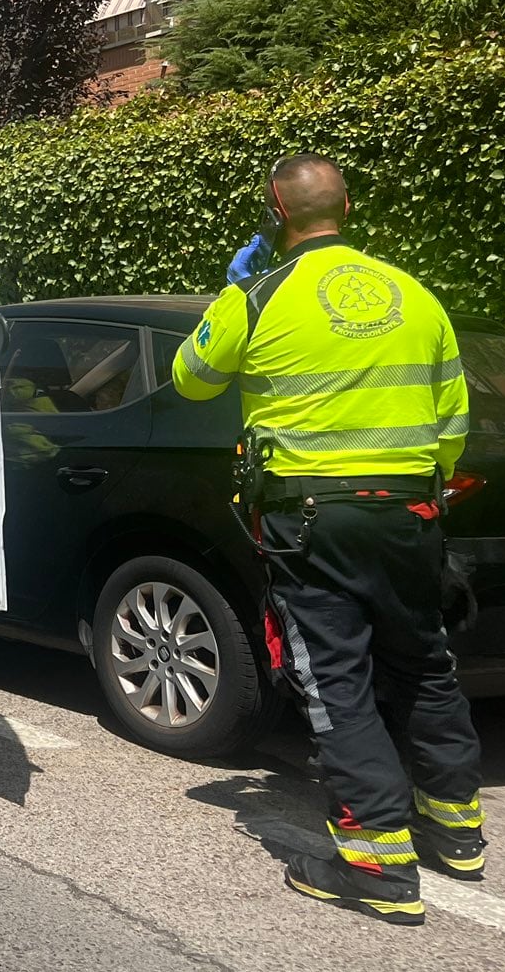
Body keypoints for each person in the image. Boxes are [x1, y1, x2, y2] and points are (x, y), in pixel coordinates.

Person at [173, 153, 482, 925]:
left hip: (313, 519)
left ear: (277, 214)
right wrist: (423, 493)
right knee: (424, 662)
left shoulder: (259, 296)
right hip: (412, 512)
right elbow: (453, 420)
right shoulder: (416, 295)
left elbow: (191, 378)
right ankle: (457, 830)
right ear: (347, 207)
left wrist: (229, 289)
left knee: (335, 679)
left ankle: (376, 866)